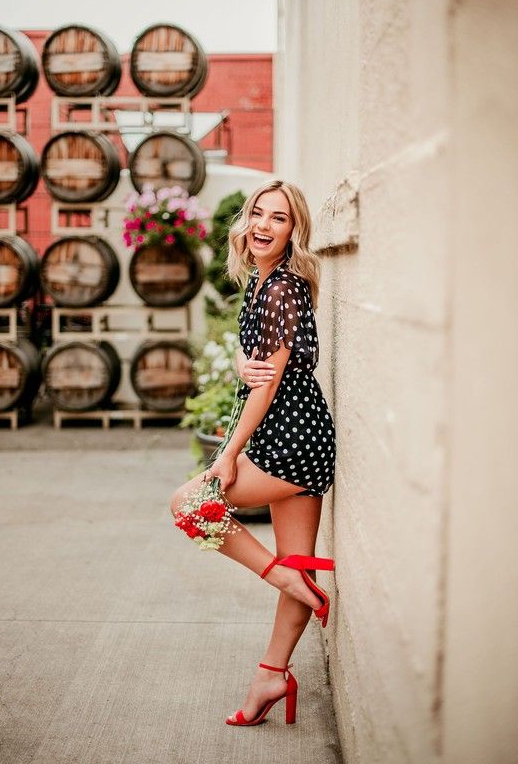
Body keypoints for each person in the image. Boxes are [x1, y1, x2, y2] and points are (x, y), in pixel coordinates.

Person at [170, 179, 336, 727]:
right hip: (293, 433)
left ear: (294, 232)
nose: (264, 225)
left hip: (289, 437)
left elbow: (267, 388)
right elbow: (261, 362)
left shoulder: (283, 287)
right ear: (245, 222)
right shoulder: (265, 284)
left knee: (191, 505)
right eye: (258, 214)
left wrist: (226, 453)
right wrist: (243, 359)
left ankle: (278, 575)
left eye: (279, 218)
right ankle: (272, 674)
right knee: (300, 562)